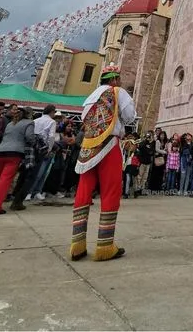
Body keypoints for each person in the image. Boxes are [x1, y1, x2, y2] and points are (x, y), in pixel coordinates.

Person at [69, 63, 135, 262]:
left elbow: (84, 119)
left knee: (83, 191)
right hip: (108, 145)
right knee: (111, 191)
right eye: (119, 79)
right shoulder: (117, 92)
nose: (120, 82)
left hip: (88, 147)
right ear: (114, 79)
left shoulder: (90, 97)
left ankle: (77, 245)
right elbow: (130, 116)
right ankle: (105, 246)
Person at [0, 107, 35, 214]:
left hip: (0, 151)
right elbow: (30, 137)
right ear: (28, 114)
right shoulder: (29, 123)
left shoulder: (10, 124)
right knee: (5, 180)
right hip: (15, 153)